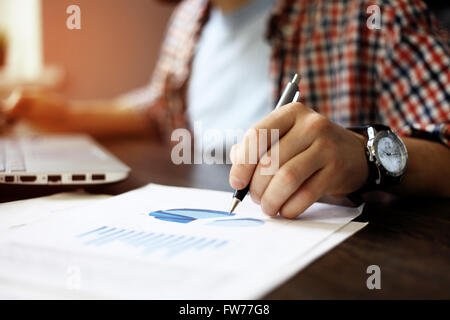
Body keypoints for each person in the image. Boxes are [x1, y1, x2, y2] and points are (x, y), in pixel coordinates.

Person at [1, 0, 449, 218]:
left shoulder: (374, 13)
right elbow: (162, 108)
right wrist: (64, 117)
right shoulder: (191, 18)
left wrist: (365, 155)